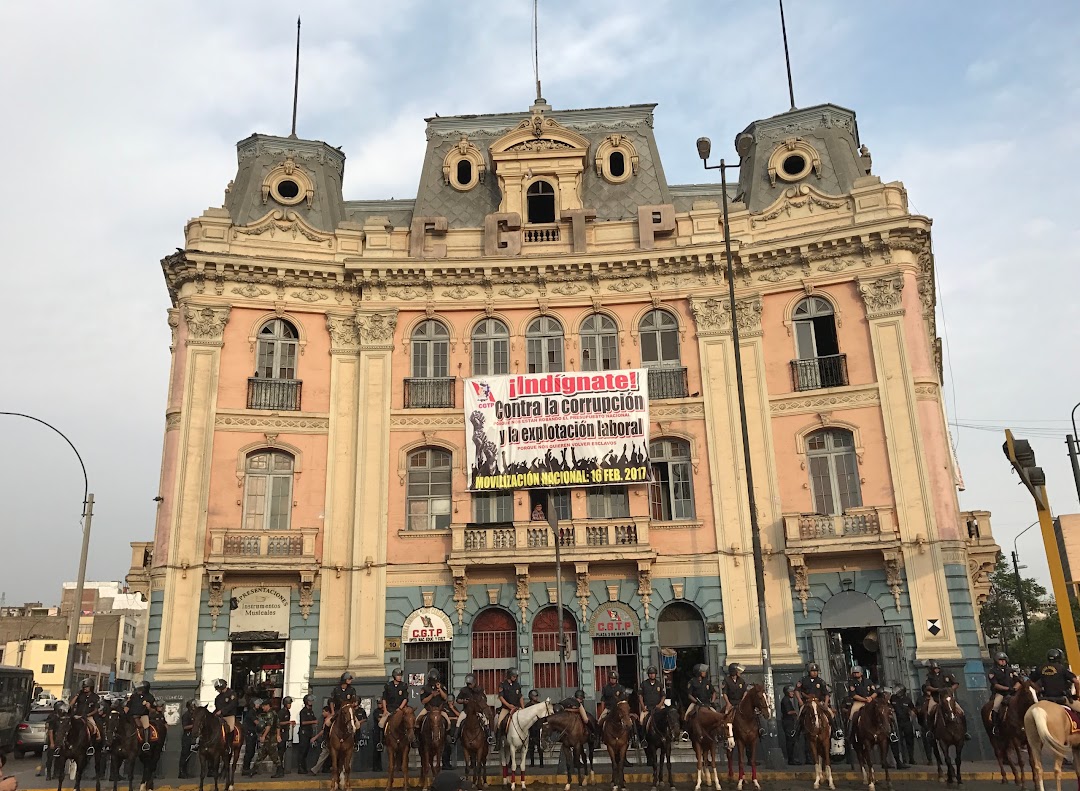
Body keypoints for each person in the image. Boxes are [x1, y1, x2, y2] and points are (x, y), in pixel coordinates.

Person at [1030, 648, 1080, 713]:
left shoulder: (1040, 668)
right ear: (1059, 658)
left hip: (1045, 699)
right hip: (1061, 699)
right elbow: (1076, 682)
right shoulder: (1062, 668)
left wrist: (1039, 690)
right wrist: (1077, 695)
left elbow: (1030, 681)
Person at [453, 673, 490, 745]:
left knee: (486, 721)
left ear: (474, 682)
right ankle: (455, 738)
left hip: (478, 711)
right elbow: (457, 700)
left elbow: (484, 699)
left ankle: (489, 737)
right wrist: (463, 701)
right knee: (459, 721)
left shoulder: (480, 689)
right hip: (467, 711)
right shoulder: (464, 690)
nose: (469, 685)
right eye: (468, 684)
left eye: (471, 684)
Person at [250, 699, 284, 778]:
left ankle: (280, 771)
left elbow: (269, 726)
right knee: (262, 753)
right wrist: (278, 735)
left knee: (273, 755)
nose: (262, 708)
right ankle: (254, 769)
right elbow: (278, 725)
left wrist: (264, 736)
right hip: (271, 736)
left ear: (267, 705)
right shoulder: (275, 713)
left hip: (270, 737)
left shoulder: (269, 714)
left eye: (264, 706)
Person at [987, 652, 1020, 730]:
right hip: (1000, 693)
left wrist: (1015, 688)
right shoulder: (993, 671)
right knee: (996, 706)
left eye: (1004, 660)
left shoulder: (1011, 670)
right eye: (1000, 660)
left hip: (1012, 693)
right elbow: (995, 685)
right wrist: (1007, 689)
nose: (1003, 662)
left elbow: (1019, 681)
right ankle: (995, 726)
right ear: (996, 661)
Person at [70, 679, 102, 752]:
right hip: (77, 716)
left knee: (94, 727)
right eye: (84, 687)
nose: (85, 688)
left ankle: (93, 743)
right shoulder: (80, 695)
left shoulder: (95, 697)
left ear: (91, 687)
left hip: (88, 716)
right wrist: (76, 695)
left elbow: (96, 710)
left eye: (87, 687)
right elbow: (71, 704)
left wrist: (87, 715)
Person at [124, 680, 156, 752]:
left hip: (142, 715)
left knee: (146, 725)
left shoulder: (150, 697)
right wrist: (123, 713)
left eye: (140, 688)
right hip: (131, 716)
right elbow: (127, 706)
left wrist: (149, 707)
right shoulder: (134, 696)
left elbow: (154, 710)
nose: (138, 690)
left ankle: (146, 743)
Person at [889, 687, 916, 769]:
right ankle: (903, 759)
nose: (897, 692)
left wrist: (912, 716)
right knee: (899, 741)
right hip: (897, 722)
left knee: (909, 740)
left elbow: (912, 709)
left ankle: (911, 758)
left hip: (906, 722)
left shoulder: (907, 699)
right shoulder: (892, 698)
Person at [496, 669, 524, 736]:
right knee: (499, 723)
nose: (515, 678)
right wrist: (508, 705)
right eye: (514, 676)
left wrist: (523, 708)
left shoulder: (517, 685)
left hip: (516, 707)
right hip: (506, 708)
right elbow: (501, 697)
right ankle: (498, 742)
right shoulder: (502, 685)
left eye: (516, 676)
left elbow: (520, 697)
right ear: (509, 676)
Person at [296, 694, 318, 774]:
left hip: (309, 732)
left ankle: (304, 767)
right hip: (304, 733)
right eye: (310, 701)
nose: (311, 702)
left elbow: (314, 719)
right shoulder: (303, 711)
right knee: (302, 750)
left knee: (306, 751)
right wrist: (313, 722)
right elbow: (303, 722)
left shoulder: (311, 711)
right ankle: (300, 768)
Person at [308, 706, 334, 774]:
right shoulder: (330, 719)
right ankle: (315, 770)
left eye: (324, 711)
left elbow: (323, 731)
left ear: (327, 712)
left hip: (329, 740)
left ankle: (315, 770)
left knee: (323, 755)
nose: (322, 713)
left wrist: (315, 737)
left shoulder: (329, 720)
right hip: (329, 740)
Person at [779, 686, 801, 765]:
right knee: (790, 741)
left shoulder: (788, 700)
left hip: (790, 722)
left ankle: (792, 759)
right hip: (788, 722)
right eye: (791, 692)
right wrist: (795, 712)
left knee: (792, 741)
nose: (793, 693)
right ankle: (791, 759)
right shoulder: (785, 700)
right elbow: (788, 712)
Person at [526, 690, 544, 767]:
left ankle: (541, 763)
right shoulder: (528, 705)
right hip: (531, 727)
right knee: (531, 747)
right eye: (534, 696)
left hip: (538, 727)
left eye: (536, 696)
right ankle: (532, 762)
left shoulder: (540, 705)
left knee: (540, 746)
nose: (536, 697)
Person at [178, 700, 196, 779]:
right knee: (185, 755)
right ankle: (181, 772)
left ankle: (187, 772)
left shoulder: (194, 715)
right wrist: (194, 725)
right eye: (192, 706)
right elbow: (185, 727)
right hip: (187, 737)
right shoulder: (186, 715)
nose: (194, 707)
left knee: (190, 755)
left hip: (192, 736)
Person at [278, 697, 295, 772]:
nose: (290, 705)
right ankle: (279, 767)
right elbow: (279, 723)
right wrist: (288, 722)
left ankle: (282, 766)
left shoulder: (288, 712)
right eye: (289, 703)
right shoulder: (281, 712)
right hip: (281, 732)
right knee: (280, 751)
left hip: (286, 733)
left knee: (284, 750)